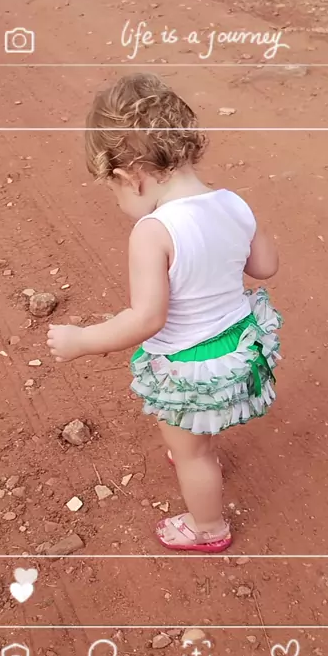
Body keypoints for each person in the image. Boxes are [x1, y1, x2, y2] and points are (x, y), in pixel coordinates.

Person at [47, 72, 282, 553]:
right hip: (241, 349)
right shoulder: (233, 202)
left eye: (114, 191)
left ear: (129, 175)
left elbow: (146, 319)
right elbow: (265, 267)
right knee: (196, 442)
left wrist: (82, 340)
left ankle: (208, 528)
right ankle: (199, 444)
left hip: (191, 367)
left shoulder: (154, 231)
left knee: (192, 456)